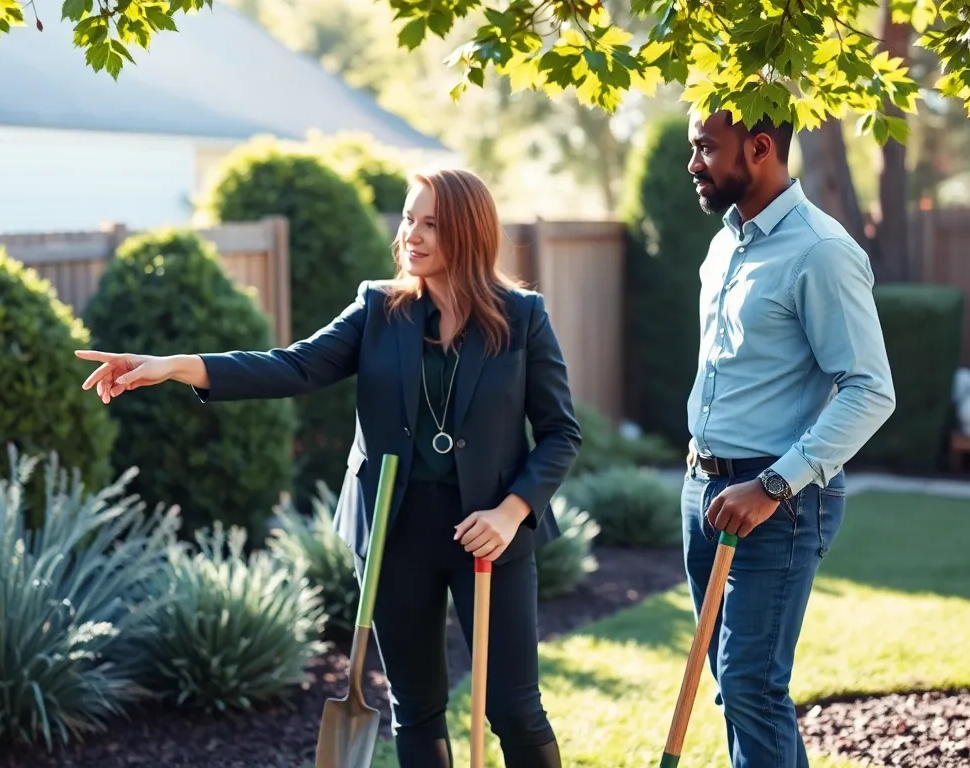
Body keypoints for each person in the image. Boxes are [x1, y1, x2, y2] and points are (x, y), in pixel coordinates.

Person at [75, 168, 580, 768]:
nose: (411, 236)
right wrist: (172, 365)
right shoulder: (379, 309)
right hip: (394, 531)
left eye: (431, 225)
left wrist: (511, 511)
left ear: (469, 234)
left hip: (490, 535)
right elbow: (290, 367)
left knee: (513, 709)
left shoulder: (522, 317)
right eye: (407, 218)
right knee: (416, 709)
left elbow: (559, 433)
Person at [681, 108, 896, 767]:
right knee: (733, 685)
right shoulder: (725, 243)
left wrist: (773, 485)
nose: (693, 164)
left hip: (776, 501)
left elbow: (870, 389)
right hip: (702, 489)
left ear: (761, 146)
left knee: (751, 686)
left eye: (706, 149)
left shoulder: (821, 251)